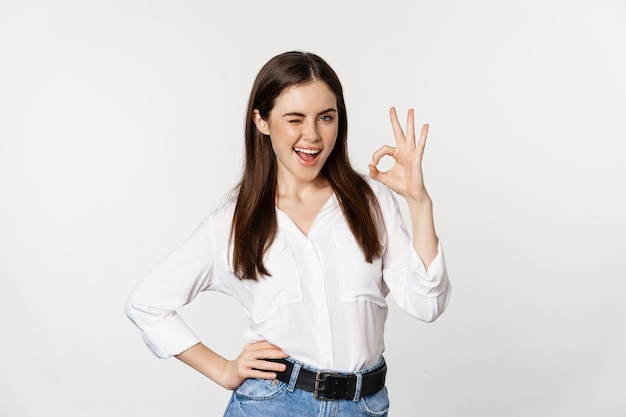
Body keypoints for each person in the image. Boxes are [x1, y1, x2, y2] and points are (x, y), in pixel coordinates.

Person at [126, 51, 451, 417]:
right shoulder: (234, 222)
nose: (311, 135)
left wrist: (419, 201)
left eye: (325, 117)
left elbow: (427, 305)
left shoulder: (372, 202)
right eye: (294, 119)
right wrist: (223, 369)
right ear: (262, 121)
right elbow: (147, 304)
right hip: (273, 404)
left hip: (363, 406)